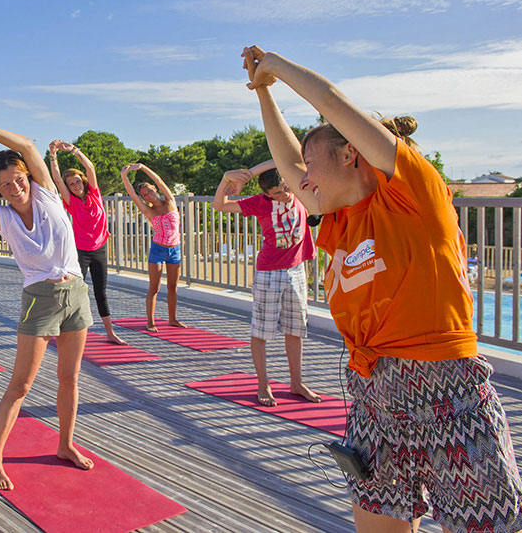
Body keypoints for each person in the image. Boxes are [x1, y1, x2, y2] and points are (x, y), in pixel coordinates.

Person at [241, 46, 522, 533]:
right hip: (372, 397)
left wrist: (278, 66)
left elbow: (331, 102)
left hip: (445, 395)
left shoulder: (415, 196)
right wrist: (263, 93)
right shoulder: (342, 222)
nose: (302, 178)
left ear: (351, 151)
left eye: (313, 162)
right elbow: (286, 165)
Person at [0, 102, 94, 491]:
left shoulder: (48, 193)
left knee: (70, 378)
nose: (15, 188)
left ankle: (65, 444)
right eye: (6, 185)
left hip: (76, 294)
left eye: (19, 179)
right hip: (39, 299)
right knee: (21, 386)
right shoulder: (4, 219)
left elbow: (28, 146)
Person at [212, 162, 320, 406]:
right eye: (278, 193)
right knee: (262, 330)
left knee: (295, 329)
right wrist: (226, 178)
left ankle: (296, 382)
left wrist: (252, 172)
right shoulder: (260, 203)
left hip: (296, 270)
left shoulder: (300, 189)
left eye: (285, 188)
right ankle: (263, 383)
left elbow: (288, 157)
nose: (285, 194)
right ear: (267, 194)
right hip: (269, 272)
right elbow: (219, 205)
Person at [48, 139, 125, 345]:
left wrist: (73, 150)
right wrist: (53, 155)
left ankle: (110, 333)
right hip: (80, 251)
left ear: (83, 181)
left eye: (77, 182)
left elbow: (90, 167)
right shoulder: (70, 202)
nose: (75, 186)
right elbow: (56, 179)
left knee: (101, 291)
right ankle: (60, 330)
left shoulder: (95, 193)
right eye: (71, 184)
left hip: (99, 249)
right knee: (72, 290)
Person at [120, 163, 187, 332]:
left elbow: (158, 179)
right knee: (154, 287)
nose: (148, 195)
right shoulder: (148, 210)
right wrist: (124, 176)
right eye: (145, 195)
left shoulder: (170, 201)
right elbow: (132, 195)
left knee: (173, 287)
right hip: (158, 249)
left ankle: (172, 319)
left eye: (150, 191)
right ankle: (150, 322)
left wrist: (142, 167)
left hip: (175, 250)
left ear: (155, 190)